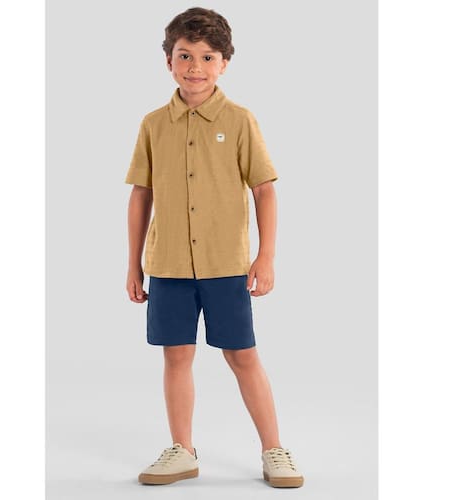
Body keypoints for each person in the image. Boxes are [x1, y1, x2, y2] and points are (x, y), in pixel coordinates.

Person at [124, 7, 304, 489]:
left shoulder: (240, 121)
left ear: (224, 63)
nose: (195, 67)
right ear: (168, 60)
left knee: (242, 355)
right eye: (185, 55)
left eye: (207, 57)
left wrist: (266, 256)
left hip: (226, 266)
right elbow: (141, 194)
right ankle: (182, 449)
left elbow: (264, 190)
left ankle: (274, 449)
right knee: (176, 356)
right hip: (168, 266)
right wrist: (134, 265)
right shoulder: (153, 124)